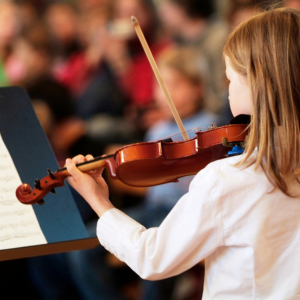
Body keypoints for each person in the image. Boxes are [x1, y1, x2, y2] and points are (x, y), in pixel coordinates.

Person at [65, 7, 300, 299]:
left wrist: (99, 202)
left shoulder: (227, 180)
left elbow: (152, 258)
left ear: (257, 83)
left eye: (229, 80)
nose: (227, 92)